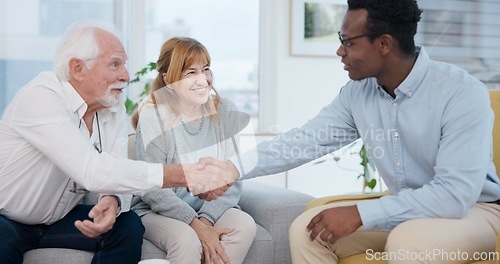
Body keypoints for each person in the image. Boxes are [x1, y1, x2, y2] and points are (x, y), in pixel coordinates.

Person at [201, 0, 500, 263]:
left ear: (384, 44)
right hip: (406, 210)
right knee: (308, 232)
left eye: (348, 41)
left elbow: (454, 195)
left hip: (475, 212)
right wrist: (231, 168)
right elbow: (304, 141)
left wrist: (360, 213)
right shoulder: (358, 94)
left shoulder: (460, 93)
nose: (339, 51)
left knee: (410, 242)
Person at [0, 21, 233, 264]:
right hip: (8, 219)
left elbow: (117, 167)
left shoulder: (111, 107)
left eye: (124, 63)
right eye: (114, 64)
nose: (126, 75)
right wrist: (188, 175)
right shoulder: (41, 98)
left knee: (127, 224)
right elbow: (92, 170)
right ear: (77, 68)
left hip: (59, 219)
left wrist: (111, 200)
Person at [130, 37, 256, 264]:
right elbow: (152, 187)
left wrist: (206, 221)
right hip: (157, 211)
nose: (202, 80)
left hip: (210, 210)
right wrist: (194, 223)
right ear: (169, 80)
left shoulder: (225, 110)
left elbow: (233, 176)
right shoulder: (153, 116)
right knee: (187, 239)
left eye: (205, 70)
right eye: (190, 73)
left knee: (244, 226)